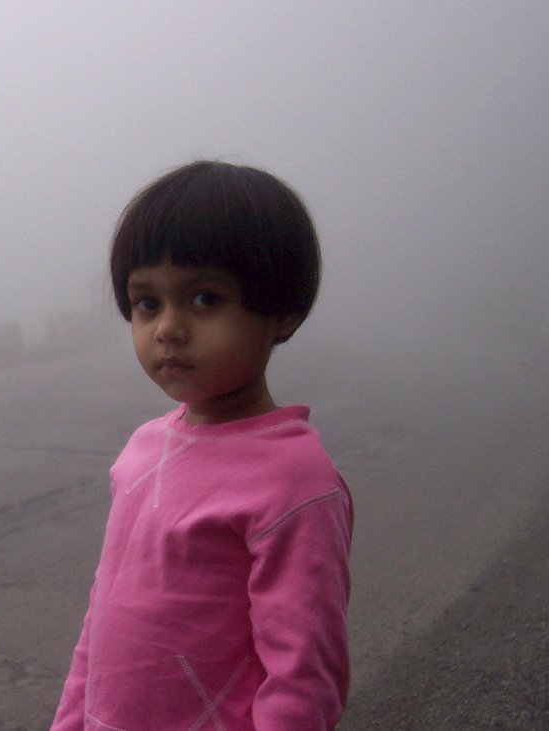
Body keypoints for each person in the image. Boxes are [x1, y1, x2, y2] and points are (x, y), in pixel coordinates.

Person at [50, 161, 352, 730]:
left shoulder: (295, 482)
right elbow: (103, 620)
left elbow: (304, 676)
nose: (168, 327)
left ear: (283, 312)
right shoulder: (143, 449)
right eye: (147, 303)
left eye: (205, 298)